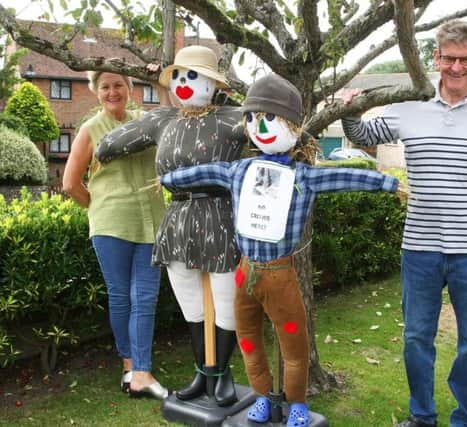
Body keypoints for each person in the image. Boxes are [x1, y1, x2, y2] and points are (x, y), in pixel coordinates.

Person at [161, 73, 404, 427]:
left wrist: (388, 184)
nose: (258, 126)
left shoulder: (303, 176)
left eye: (268, 118)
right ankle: (261, 397)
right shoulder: (238, 170)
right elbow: (202, 173)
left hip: (280, 275)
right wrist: (167, 180)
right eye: (252, 118)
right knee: (247, 340)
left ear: (291, 124)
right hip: (245, 273)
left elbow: (347, 178)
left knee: (294, 345)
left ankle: (299, 405)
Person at [342, 19, 467, 427]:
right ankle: (422, 416)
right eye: (447, 58)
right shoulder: (411, 104)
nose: (455, 68)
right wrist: (350, 107)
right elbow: (363, 132)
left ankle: (465, 419)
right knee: (415, 339)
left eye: (465, 59)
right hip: (421, 249)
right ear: (435, 57)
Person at [95, 46, 247, 406]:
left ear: (212, 83)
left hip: (220, 217)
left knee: (226, 301)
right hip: (177, 221)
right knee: (191, 304)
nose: (182, 84)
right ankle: (202, 371)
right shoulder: (162, 119)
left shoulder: (233, 118)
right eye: (177, 76)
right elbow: (109, 144)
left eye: (192, 76)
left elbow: (278, 133)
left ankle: (222, 372)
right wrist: (97, 148)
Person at [62, 71, 168, 399]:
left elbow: (171, 118)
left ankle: (139, 372)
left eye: (118, 84)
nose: (112, 92)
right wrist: (99, 207)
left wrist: (163, 83)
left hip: (151, 222)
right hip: (112, 226)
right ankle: (133, 367)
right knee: (122, 296)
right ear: (95, 92)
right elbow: (69, 183)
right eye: (105, 86)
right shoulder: (90, 130)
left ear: (130, 89)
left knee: (145, 298)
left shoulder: (146, 122)